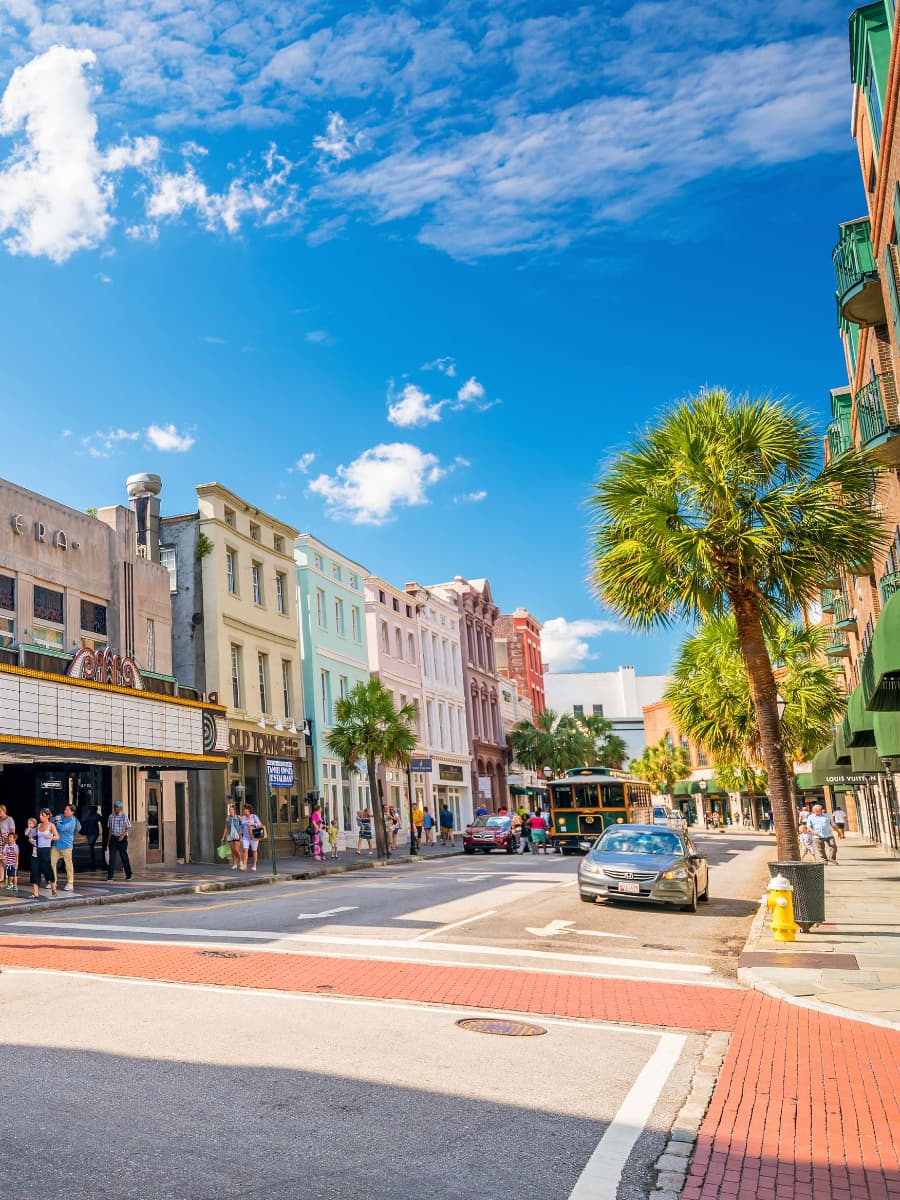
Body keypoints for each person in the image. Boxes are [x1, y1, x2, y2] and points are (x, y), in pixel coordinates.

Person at [29, 810, 59, 898]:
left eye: (43, 815)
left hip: (45, 851)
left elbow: (57, 837)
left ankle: (53, 889)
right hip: (36, 850)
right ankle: (35, 893)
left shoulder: (51, 825)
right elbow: (32, 837)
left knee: (47, 870)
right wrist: (31, 840)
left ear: (48, 816)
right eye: (40, 815)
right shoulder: (38, 825)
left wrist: (51, 837)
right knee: (34, 870)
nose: (40, 817)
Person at [51, 803, 79, 891]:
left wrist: (57, 822)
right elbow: (51, 820)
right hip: (56, 844)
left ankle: (70, 883)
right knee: (51, 863)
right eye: (65, 809)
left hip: (67, 845)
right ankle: (53, 881)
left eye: (67, 810)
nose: (65, 811)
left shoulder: (72, 821)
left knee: (68, 865)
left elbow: (62, 828)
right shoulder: (60, 816)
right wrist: (53, 819)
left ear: (72, 812)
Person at [107, 800, 133, 880]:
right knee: (112, 858)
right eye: (115, 806)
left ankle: (129, 874)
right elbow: (110, 829)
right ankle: (110, 876)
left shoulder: (124, 816)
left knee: (124, 857)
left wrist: (122, 836)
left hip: (122, 838)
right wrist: (108, 840)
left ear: (121, 808)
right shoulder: (111, 816)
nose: (115, 808)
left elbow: (128, 827)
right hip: (114, 838)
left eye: (117, 807)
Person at [239, 804, 265, 871]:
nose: (244, 810)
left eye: (246, 809)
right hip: (246, 836)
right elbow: (241, 827)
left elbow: (260, 825)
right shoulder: (243, 818)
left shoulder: (254, 817)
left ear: (249, 810)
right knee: (245, 850)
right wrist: (240, 835)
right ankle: (245, 865)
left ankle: (254, 865)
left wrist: (252, 824)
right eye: (244, 809)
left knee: (254, 851)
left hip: (254, 837)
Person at [221, 803, 242, 869]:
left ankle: (241, 862)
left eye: (232, 809)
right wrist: (223, 837)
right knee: (232, 850)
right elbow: (226, 828)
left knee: (236, 849)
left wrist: (241, 834)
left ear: (234, 810)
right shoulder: (227, 818)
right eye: (229, 809)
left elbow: (242, 826)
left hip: (237, 834)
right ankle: (235, 864)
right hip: (230, 834)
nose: (230, 811)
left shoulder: (238, 817)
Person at [81, 805, 102, 869]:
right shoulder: (90, 815)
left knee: (91, 845)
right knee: (91, 846)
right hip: (90, 832)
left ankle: (93, 860)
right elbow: (84, 822)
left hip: (94, 832)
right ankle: (92, 860)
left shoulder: (95, 815)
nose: (90, 810)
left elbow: (84, 821)